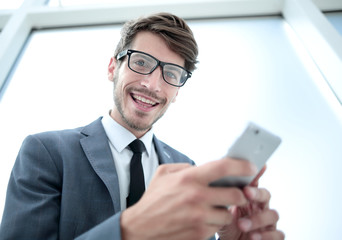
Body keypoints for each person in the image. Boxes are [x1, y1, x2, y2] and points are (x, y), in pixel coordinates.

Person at [0, 12, 284, 240]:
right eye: (141, 62)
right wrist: (132, 228)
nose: (152, 85)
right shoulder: (47, 151)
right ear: (113, 67)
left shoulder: (186, 169)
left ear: (177, 92)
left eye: (171, 73)